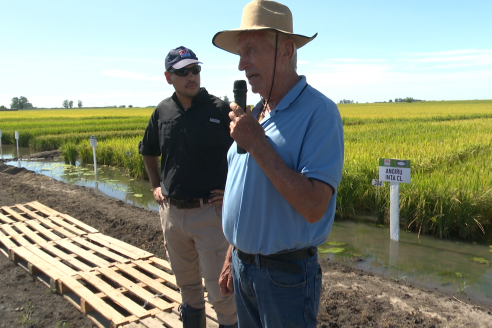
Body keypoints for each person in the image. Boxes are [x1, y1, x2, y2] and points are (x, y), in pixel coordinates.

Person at [212, 1, 344, 327]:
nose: (241, 64)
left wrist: (257, 144)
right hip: (244, 268)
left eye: (251, 50)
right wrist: (234, 253)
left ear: (286, 51)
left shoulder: (320, 113)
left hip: (285, 279)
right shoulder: (255, 114)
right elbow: (247, 191)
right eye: (240, 54)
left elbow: (314, 205)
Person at [138, 46, 238, 328]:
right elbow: (148, 150)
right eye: (183, 72)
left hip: (210, 215)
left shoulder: (220, 110)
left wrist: (230, 189)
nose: (191, 76)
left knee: (222, 294)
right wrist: (156, 184)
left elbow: (247, 155)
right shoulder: (163, 111)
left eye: (195, 69)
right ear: (169, 77)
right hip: (172, 215)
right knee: (188, 291)